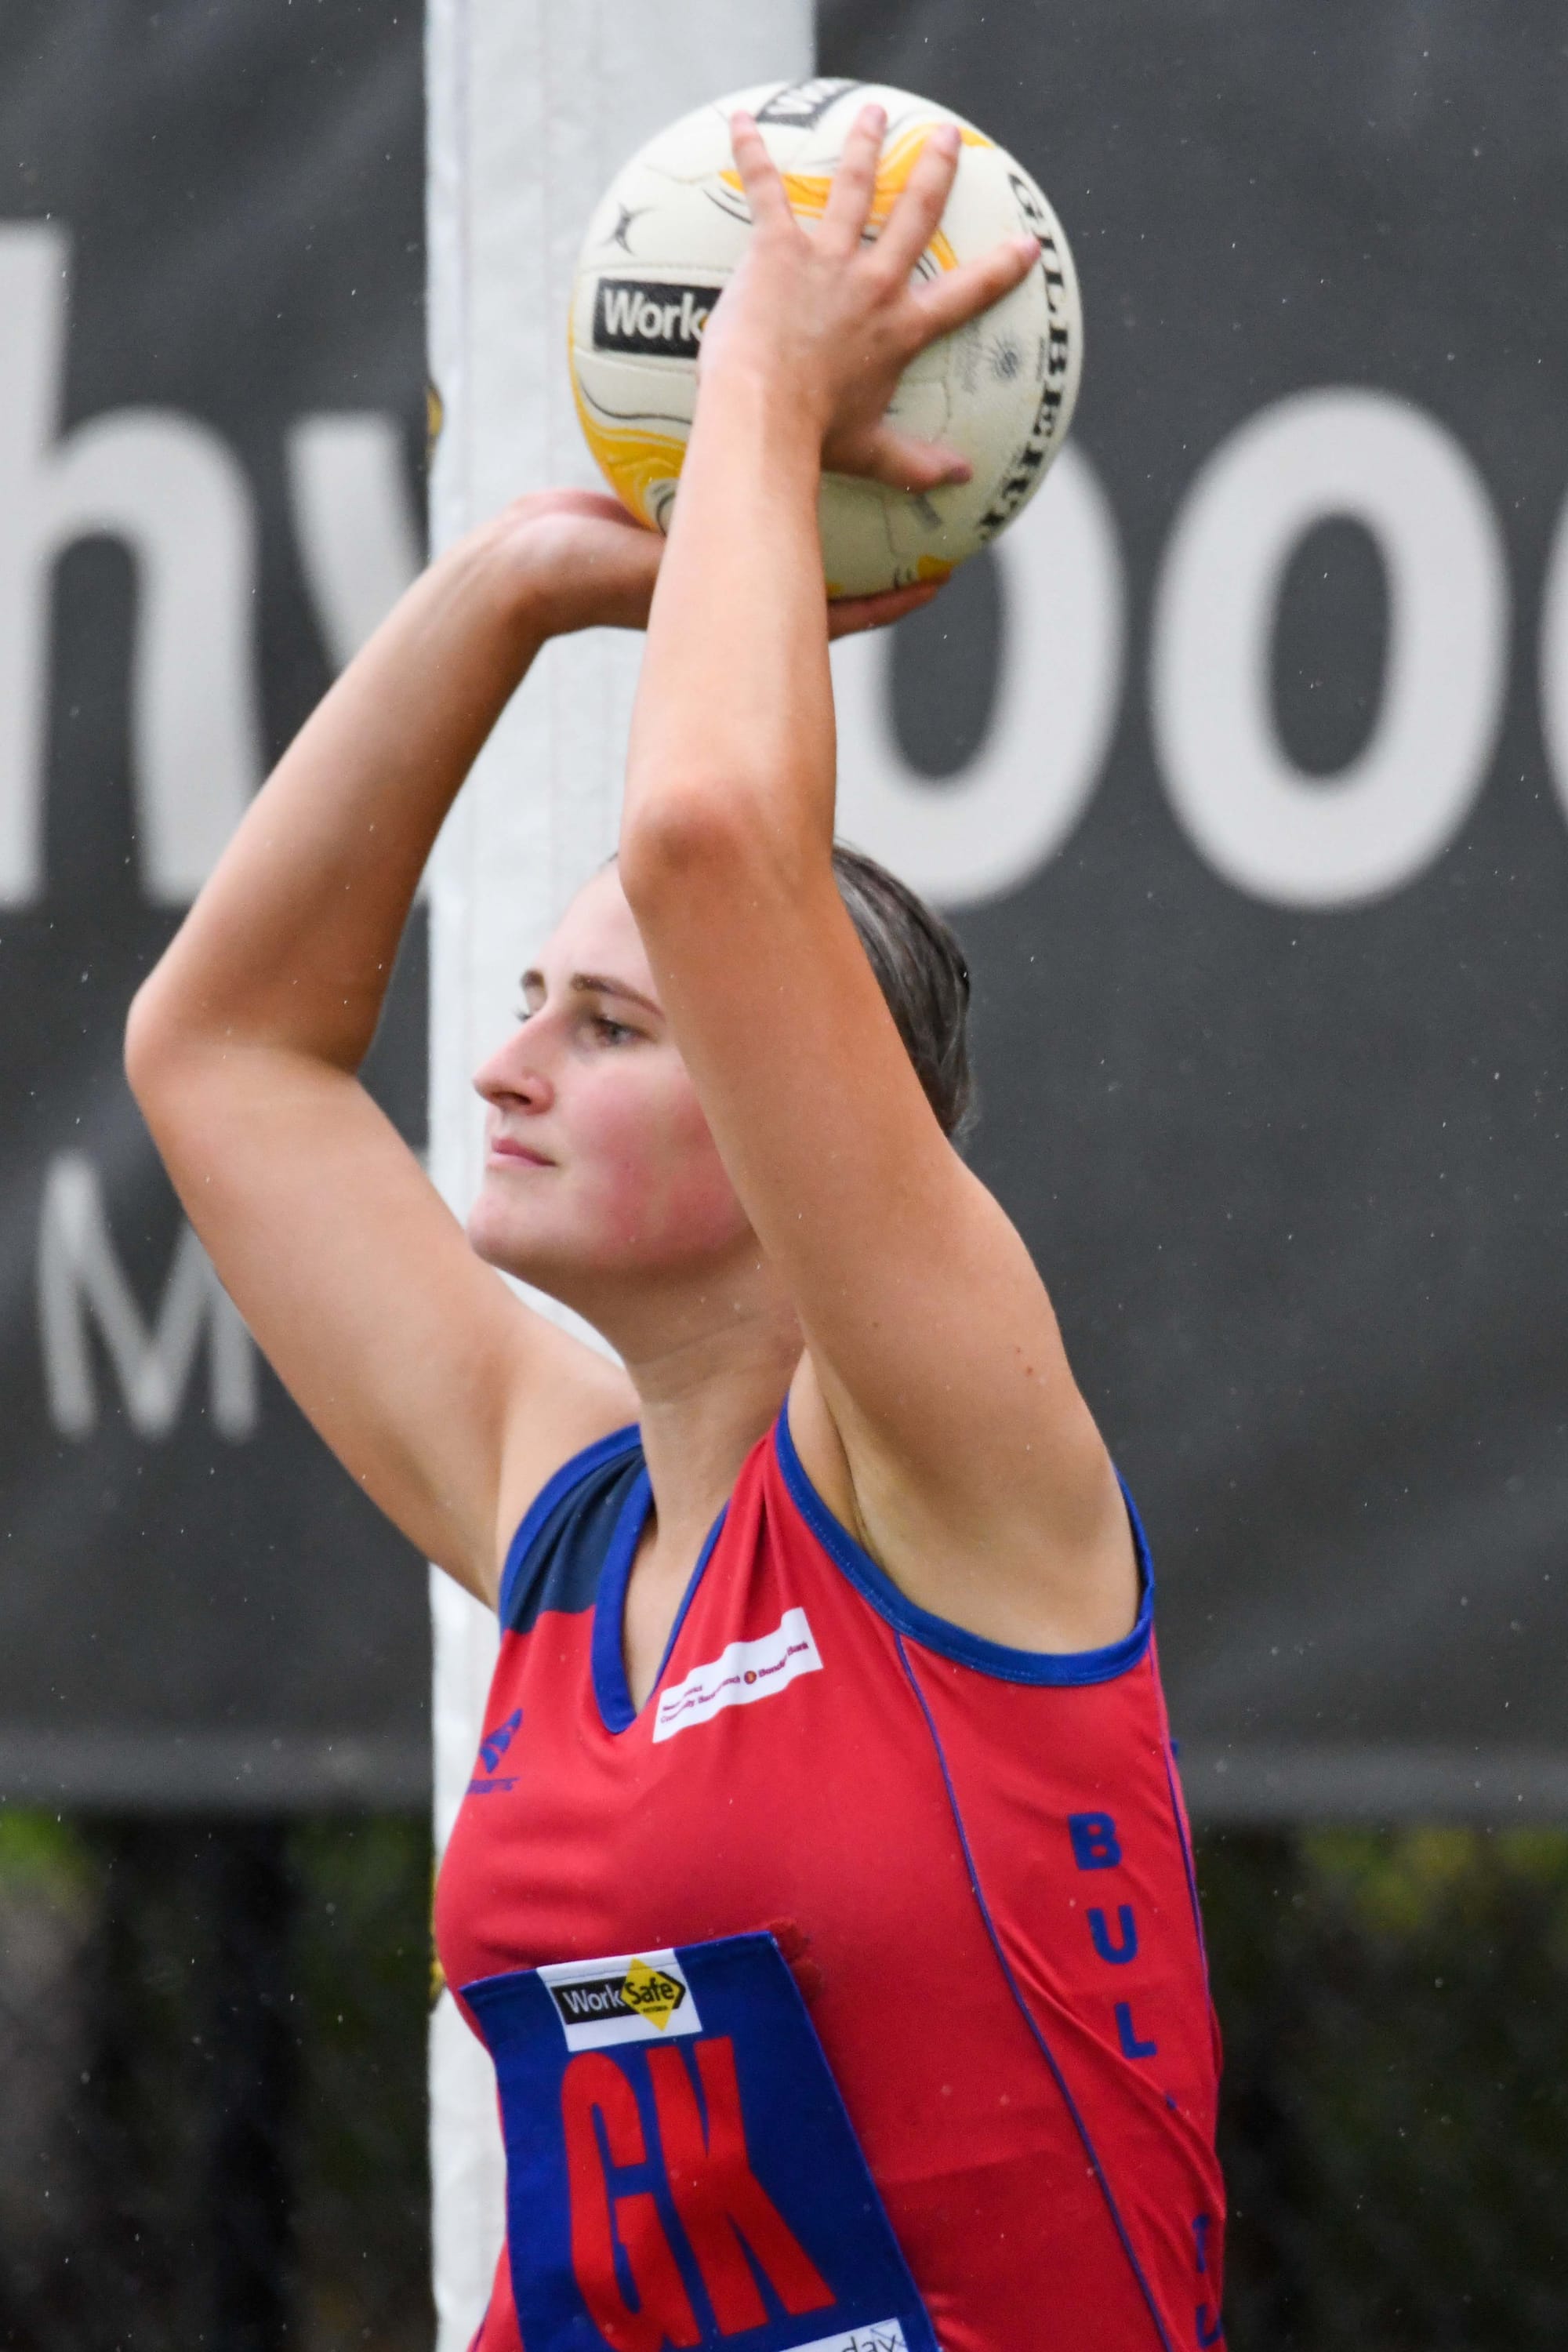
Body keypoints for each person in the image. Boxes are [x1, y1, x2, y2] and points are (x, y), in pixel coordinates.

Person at [128, 101, 1223, 2352]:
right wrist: (519, 578)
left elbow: (723, 833)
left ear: (796, 1118)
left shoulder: (955, 1468)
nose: (506, 1066)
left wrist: (759, 375)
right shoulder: (566, 1516)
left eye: (609, 1026)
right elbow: (221, 1052)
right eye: (528, 1003)